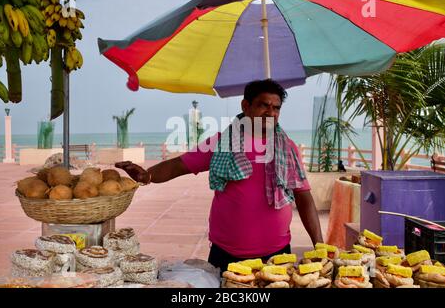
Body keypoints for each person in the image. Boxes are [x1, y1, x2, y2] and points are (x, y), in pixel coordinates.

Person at [116, 79, 323, 272]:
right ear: (245, 106)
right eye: (263, 105)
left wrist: (319, 245)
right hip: (227, 255)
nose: (270, 112)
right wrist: (147, 176)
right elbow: (178, 165)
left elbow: (303, 197)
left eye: (276, 107)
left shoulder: (288, 148)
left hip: (277, 254)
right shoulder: (221, 142)